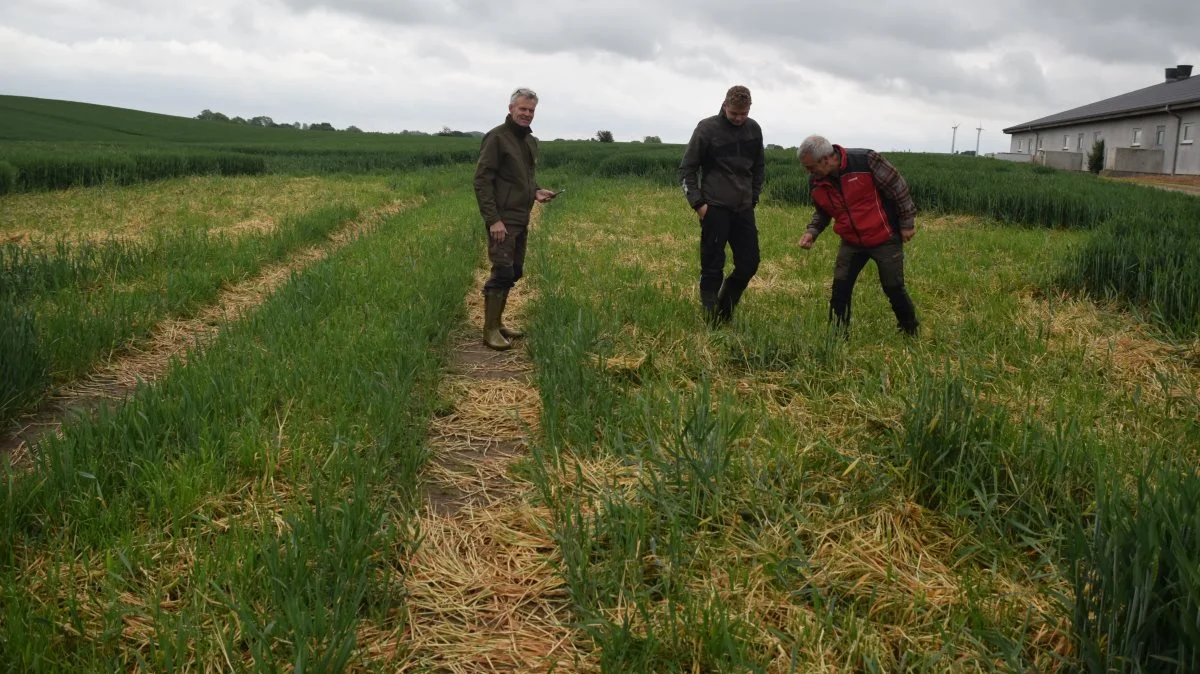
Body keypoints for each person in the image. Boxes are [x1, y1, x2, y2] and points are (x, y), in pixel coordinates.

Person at [796, 134, 919, 337]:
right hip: (851, 241)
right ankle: (837, 335)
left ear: (826, 159)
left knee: (893, 287)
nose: (808, 172)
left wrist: (907, 223)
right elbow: (823, 211)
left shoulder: (866, 161)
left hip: (885, 237)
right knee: (840, 288)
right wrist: (812, 231)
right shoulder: (816, 181)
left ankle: (909, 330)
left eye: (810, 167)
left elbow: (898, 188)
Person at [473, 88, 557, 351]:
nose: (527, 114)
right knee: (502, 271)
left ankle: (498, 323)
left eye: (531, 110)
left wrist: (536, 191)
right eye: (522, 109)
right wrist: (493, 220)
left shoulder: (529, 141)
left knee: (515, 270)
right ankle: (489, 331)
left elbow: (522, 179)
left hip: (521, 218)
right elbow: (482, 181)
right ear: (511, 109)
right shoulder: (497, 138)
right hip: (503, 220)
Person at [678, 85, 764, 326]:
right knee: (712, 264)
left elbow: (758, 168)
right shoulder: (707, 129)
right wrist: (699, 205)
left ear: (749, 109)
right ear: (725, 106)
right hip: (714, 207)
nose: (738, 118)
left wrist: (753, 196)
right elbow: (687, 169)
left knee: (749, 263)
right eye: (734, 113)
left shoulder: (754, 130)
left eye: (743, 114)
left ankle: (725, 307)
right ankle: (710, 317)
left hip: (744, 208)